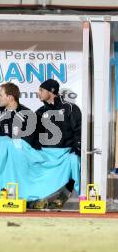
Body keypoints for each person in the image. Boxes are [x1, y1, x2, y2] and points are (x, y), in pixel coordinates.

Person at [35, 79, 81, 208]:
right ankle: (39, 197)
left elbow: (78, 130)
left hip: (65, 151)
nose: (38, 93)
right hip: (46, 152)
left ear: (52, 91)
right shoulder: (39, 112)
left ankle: (64, 196)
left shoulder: (70, 108)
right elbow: (34, 134)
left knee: (74, 161)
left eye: (41, 90)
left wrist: (77, 147)